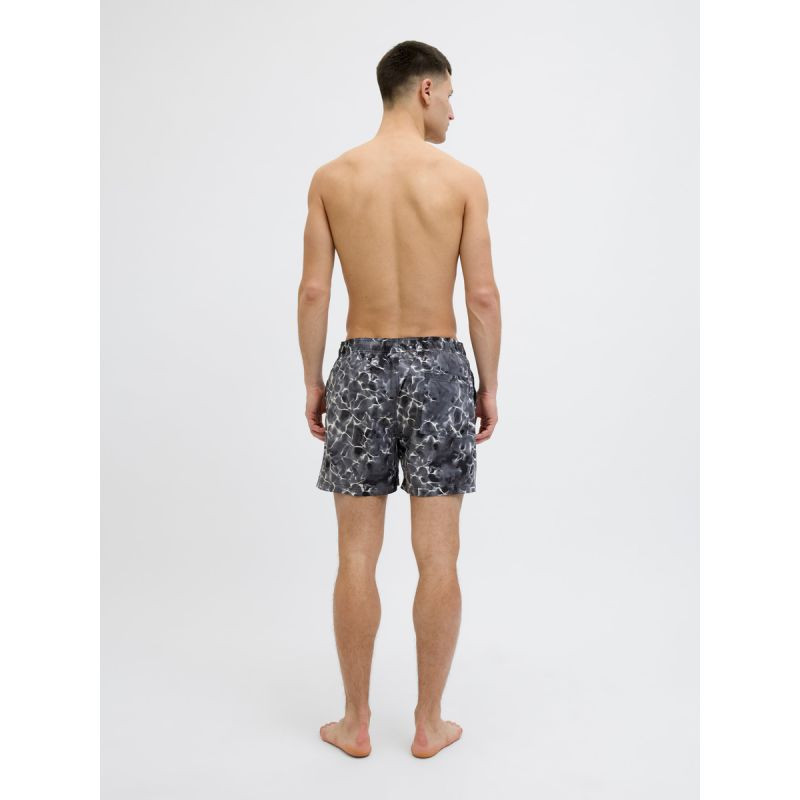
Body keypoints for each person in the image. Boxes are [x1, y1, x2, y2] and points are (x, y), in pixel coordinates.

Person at [297, 40, 501, 759]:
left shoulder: (333, 177)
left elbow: (314, 290)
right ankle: (429, 722)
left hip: (359, 364)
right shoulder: (461, 181)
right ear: (424, 89)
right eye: (450, 95)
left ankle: (354, 722)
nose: (453, 111)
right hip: (440, 368)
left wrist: (315, 380)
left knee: (356, 554)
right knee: (438, 556)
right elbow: (481, 295)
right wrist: (488, 383)